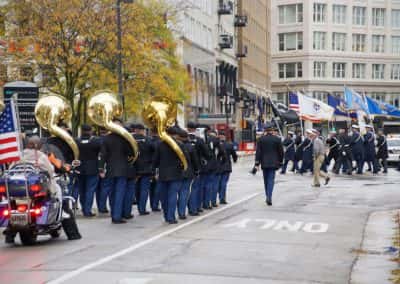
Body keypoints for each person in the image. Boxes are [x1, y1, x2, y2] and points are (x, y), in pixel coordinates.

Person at [99, 118, 133, 224]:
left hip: (110, 169)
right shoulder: (125, 138)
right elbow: (130, 152)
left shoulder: (106, 139)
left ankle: (114, 213)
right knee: (119, 193)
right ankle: (117, 216)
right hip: (122, 169)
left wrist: (101, 168)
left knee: (112, 193)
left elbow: (103, 155)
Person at [152, 126, 184, 224]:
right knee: (173, 196)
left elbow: (155, 160)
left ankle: (166, 216)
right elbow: (184, 159)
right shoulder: (179, 144)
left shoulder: (160, 144)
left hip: (163, 174)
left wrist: (154, 171)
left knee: (164, 196)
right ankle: (171, 217)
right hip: (176, 173)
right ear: (176, 135)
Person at [255, 123, 284, 206]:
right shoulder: (277, 139)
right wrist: (281, 162)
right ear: (272, 130)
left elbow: (258, 152)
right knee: (271, 180)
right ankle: (269, 196)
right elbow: (281, 152)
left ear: (265, 130)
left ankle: (267, 196)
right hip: (274, 163)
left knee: (266, 181)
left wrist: (257, 163)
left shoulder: (261, 139)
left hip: (264, 163)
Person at [75, 124, 101, 217]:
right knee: (90, 190)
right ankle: (87, 210)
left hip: (80, 168)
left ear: (81, 130)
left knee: (82, 189)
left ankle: (83, 208)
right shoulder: (96, 141)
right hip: (93, 168)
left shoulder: (76, 141)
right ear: (90, 130)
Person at [186, 122, 211, 216]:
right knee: (195, 188)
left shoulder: (182, 139)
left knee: (184, 189)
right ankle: (194, 208)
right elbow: (207, 154)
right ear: (195, 129)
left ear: (187, 128)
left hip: (183, 167)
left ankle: (185, 209)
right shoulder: (199, 140)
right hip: (197, 167)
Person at [176, 128, 200, 220]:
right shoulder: (190, 146)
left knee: (175, 193)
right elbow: (195, 160)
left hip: (176, 172)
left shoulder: (175, 145)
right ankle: (184, 212)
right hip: (188, 172)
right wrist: (197, 170)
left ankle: (178, 212)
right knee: (185, 192)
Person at [134, 123, 155, 215]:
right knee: (144, 189)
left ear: (135, 130)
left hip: (134, 168)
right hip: (146, 168)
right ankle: (141, 209)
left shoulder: (130, 139)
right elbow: (154, 150)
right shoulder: (148, 140)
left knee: (136, 188)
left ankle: (138, 204)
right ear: (142, 131)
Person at [217, 131, 237, 204]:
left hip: (218, 166)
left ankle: (220, 194)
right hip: (226, 166)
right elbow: (234, 154)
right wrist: (235, 160)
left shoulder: (217, 144)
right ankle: (222, 198)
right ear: (225, 137)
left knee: (219, 182)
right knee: (224, 182)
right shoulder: (229, 144)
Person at [96, 127, 111, 214]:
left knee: (98, 188)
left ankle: (100, 205)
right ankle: (102, 207)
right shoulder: (107, 140)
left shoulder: (96, 139)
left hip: (95, 166)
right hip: (105, 166)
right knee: (105, 187)